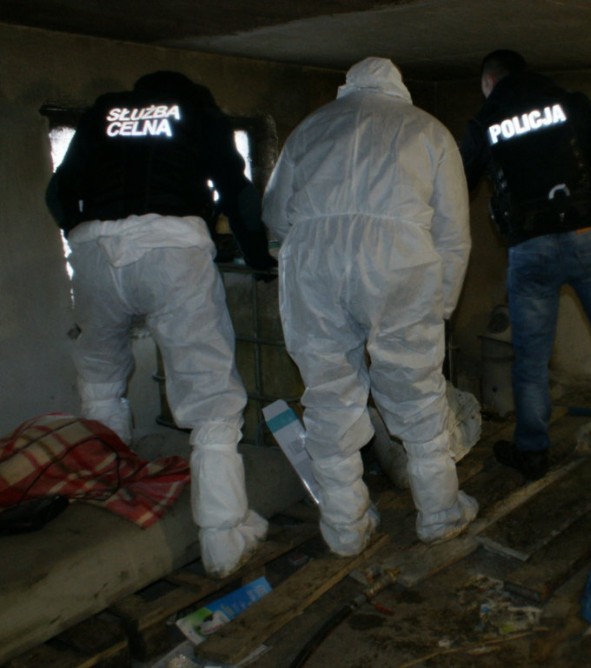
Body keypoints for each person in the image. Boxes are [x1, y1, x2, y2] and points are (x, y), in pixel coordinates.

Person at [46, 70, 277, 578]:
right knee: (209, 390)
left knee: (100, 374)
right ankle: (223, 538)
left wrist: (84, 232)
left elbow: (57, 192)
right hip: (172, 248)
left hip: (95, 252)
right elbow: (237, 193)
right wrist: (260, 258)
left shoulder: (104, 110)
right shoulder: (200, 114)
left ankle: (104, 499)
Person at [262, 57, 478, 556]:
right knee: (415, 385)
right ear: (398, 87)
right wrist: (441, 306)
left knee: (328, 388)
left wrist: (293, 257)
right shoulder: (428, 130)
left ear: (349, 86)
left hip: (314, 255)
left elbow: (274, 213)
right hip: (398, 258)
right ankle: (439, 512)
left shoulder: (311, 128)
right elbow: (453, 233)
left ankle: (346, 527)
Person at [460, 49, 591, 480]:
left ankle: (533, 452)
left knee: (531, 361)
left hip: (530, 248)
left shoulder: (485, 122)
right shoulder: (571, 104)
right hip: (588, 238)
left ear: (489, 82)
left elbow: (456, 182)